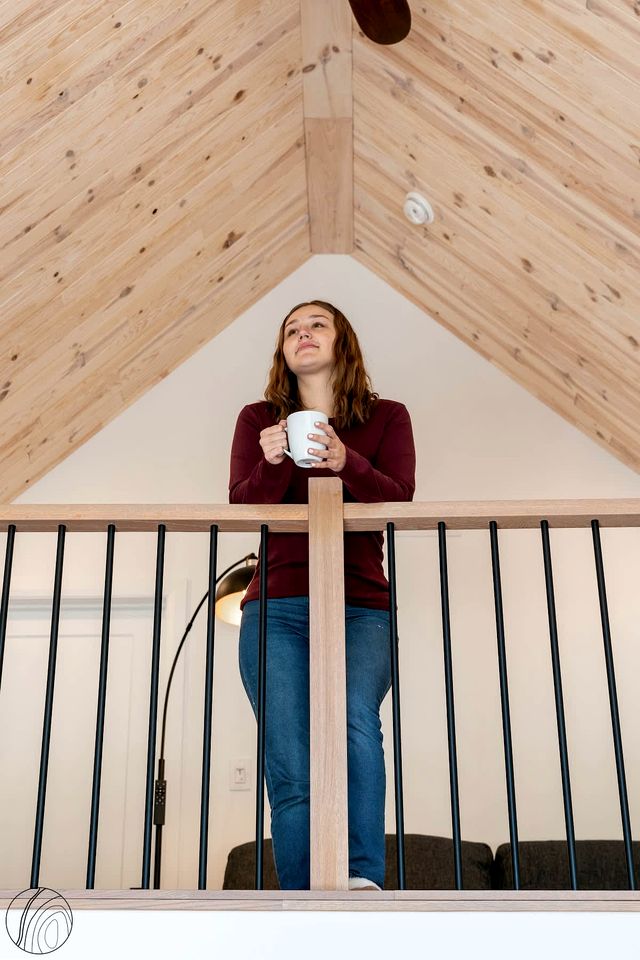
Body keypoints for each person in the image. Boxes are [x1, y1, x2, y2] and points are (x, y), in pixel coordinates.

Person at [228, 299, 416, 891]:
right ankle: (305, 891)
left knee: (356, 722)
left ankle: (361, 881)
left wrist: (345, 460)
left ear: (343, 342)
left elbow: (399, 497)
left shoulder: (387, 416)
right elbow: (244, 503)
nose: (302, 335)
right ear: (283, 351)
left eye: (316, 325)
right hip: (274, 606)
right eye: (291, 330)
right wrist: (273, 459)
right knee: (290, 757)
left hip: (360, 604)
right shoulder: (257, 418)